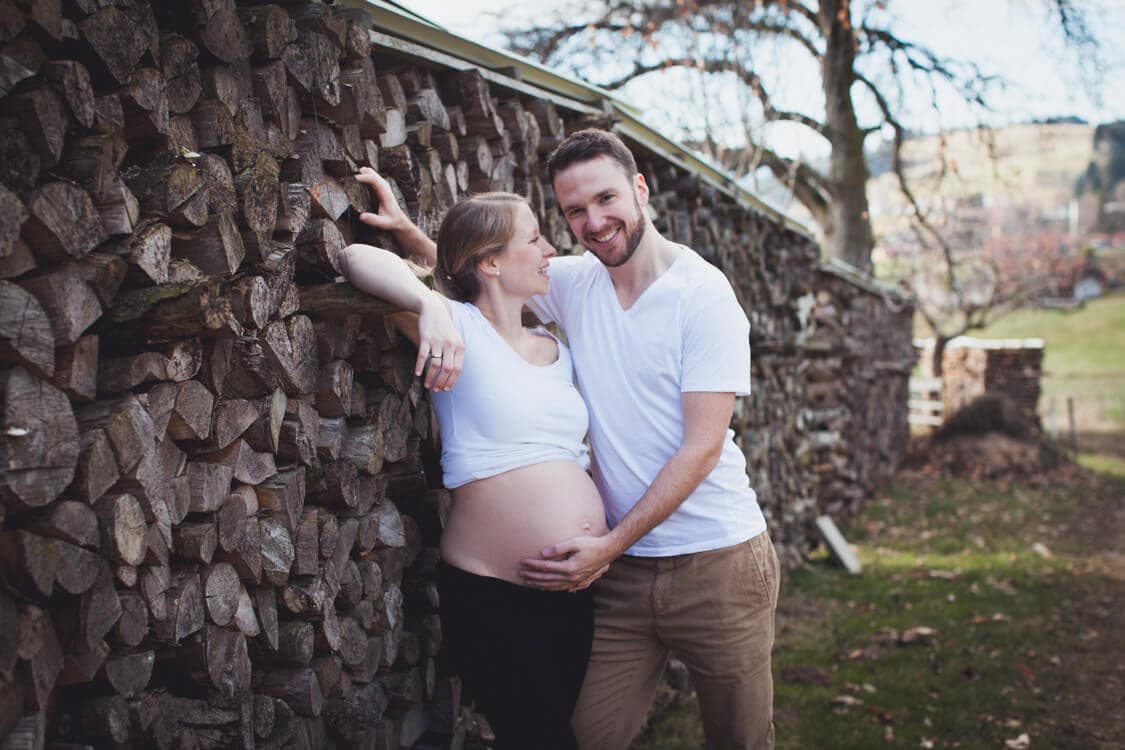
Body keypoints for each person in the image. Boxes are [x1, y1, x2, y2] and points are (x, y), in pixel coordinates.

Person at [357, 126, 780, 750]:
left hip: (714, 560)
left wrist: (608, 545)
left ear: (639, 190)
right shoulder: (577, 282)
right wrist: (420, 260)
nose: (594, 222)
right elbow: (483, 274)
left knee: (739, 739)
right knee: (582, 737)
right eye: (574, 211)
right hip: (620, 576)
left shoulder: (704, 296)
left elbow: (702, 448)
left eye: (606, 199)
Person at [340, 181, 609, 750]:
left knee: (553, 731)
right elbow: (354, 257)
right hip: (494, 595)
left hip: (574, 588)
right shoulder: (455, 327)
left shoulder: (558, 346)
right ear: (490, 263)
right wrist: (429, 303)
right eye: (534, 240)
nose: (549, 252)